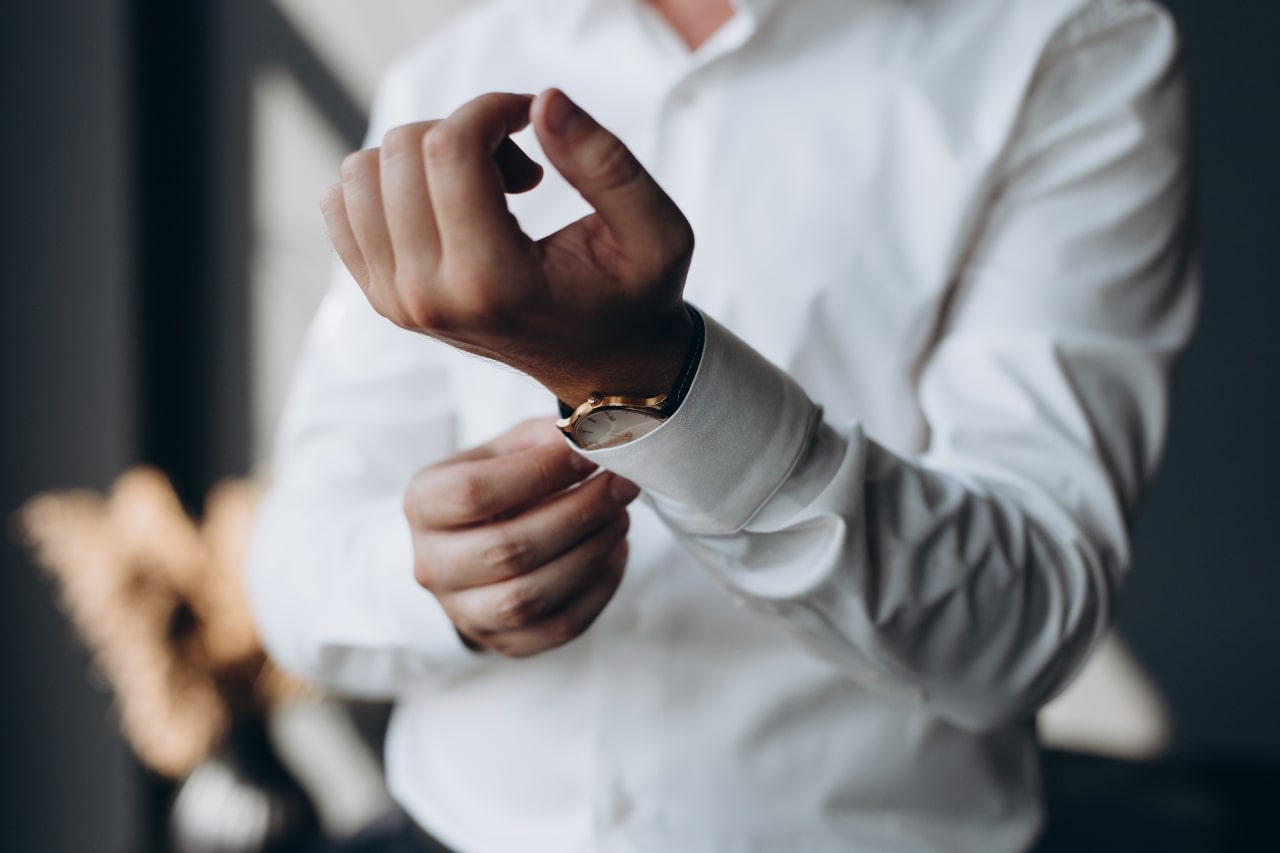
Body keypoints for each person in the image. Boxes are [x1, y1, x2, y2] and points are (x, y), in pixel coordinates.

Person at [247, 0, 1196, 850]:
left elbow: (1027, 621)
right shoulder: (453, 69)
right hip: (453, 826)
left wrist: (655, 384)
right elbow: (293, 569)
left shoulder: (1067, 45)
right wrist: (438, 583)